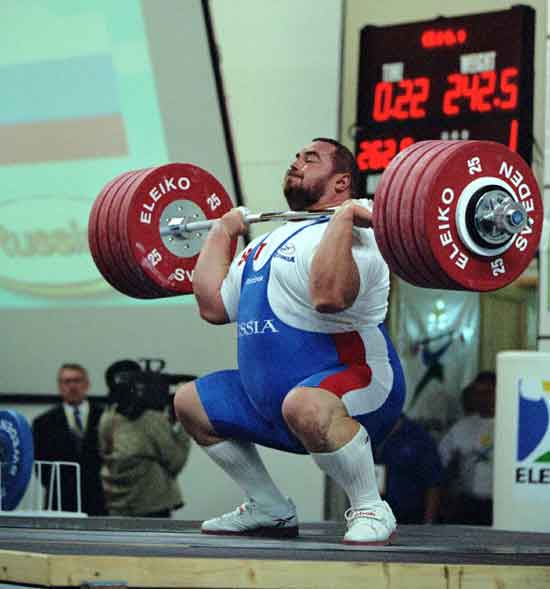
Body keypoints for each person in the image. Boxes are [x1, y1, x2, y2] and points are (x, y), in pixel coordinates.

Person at [174, 138, 406, 545]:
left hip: (363, 386)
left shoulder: (359, 236)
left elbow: (330, 297)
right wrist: (224, 231)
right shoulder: (267, 242)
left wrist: (344, 218)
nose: (297, 163)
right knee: (190, 402)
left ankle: (371, 507)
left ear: (342, 182)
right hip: (276, 403)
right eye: (296, 157)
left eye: (310, 159)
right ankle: (269, 507)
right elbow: (213, 307)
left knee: (304, 404)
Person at [98, 360, 191, 517]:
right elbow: (176, 461)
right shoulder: (151, 420)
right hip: (142, 506)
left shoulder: (108, 419)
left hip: (129, 507)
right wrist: (184, 422)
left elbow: (105, 454)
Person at [32, 363, 106, 515]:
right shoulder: (43, 422)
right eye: (67, 381)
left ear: (87, 384)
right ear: (59, 386)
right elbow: (40, 463)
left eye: (77, 380)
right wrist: (58, 485)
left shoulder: (105, 417)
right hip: (60, 499)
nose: (72, 386)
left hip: (99, 499)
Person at [438, 371, 496, 525]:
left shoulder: (513, 425)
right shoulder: (461, 427)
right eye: (478, 393)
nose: (482, 398)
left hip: (499, 503)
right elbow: (441, 461)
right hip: (467, 502)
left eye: (487, 392)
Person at [374, 414, 443, 524]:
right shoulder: (368, 433)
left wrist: (428, 523)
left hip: (411, 519)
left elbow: (433, 483)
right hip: (376, 518)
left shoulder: (418, 437)